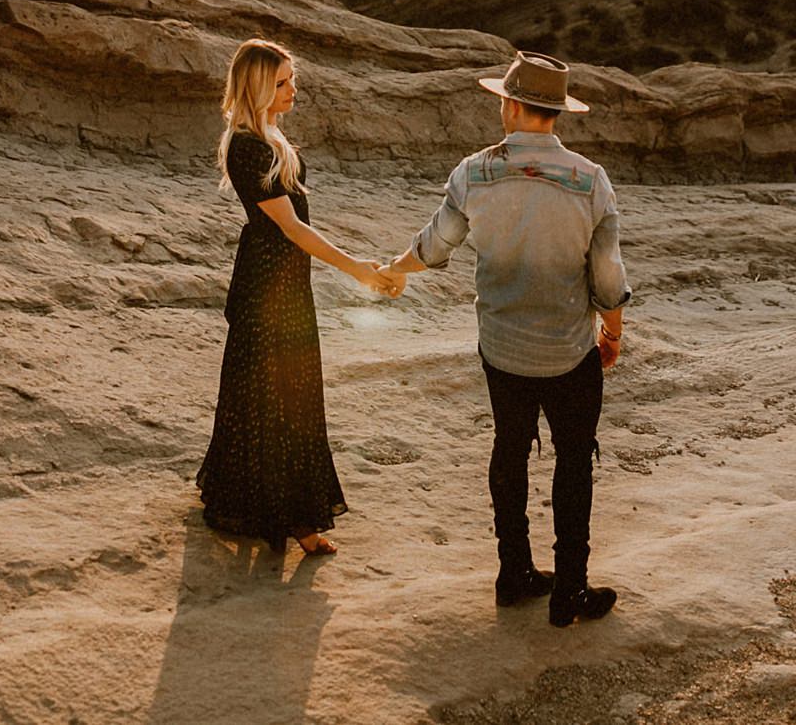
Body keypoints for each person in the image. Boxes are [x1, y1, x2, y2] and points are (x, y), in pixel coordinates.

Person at [386, 51, 631, 626]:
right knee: (574, 463)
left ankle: (513, 574)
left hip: (502, 349)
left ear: (513, 105)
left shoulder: (473, 172)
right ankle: (570, 591)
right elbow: (608, 276)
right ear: (554, 112)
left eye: (503, 98)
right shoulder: (590, 180)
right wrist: (612, 332)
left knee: (509, 452)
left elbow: (434, 246)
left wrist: (393, 270)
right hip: (570, 351)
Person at [196, 37, 400, 556]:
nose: (293, 89)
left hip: (285, 282)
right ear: (258, 87)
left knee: (283, 392)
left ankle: (269, 507)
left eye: (292, 80)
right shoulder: (246, 145)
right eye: (282, 82)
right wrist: (357, 269)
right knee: (278, 395)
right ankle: (291, 520)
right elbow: (292, 229)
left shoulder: (270, 137)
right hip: (267, 287)